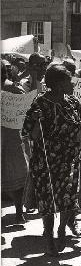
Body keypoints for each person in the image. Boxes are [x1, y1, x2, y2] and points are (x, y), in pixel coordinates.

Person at [21, 64, 81, 256]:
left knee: (68, 197)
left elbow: (78, 128)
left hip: (68, 158)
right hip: (46, 160)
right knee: (48, 199)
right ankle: (49, 234)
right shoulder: (40, 103)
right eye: (69, 81)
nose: (72, 84)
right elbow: (32, 135)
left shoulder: (73, 103)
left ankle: (62, 229)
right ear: (59, 84)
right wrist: (37, 121)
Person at [1, 60, 28, 224]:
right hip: (11, 138)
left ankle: (19, 212)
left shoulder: (14, 88)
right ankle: (19, 213)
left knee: (16, 176)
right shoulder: (14, 88)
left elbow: (25, 111)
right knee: (14, 175)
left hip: (11, 139)